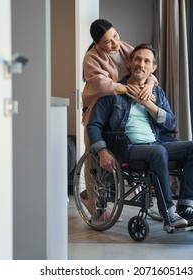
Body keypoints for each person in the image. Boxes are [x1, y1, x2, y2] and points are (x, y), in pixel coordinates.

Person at [86, 43, 193, 228]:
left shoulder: (157, 92)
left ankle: (186, 206)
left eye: (147, 61)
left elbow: (170, 123)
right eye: (138, 59)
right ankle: (168, 212)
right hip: (127, 148)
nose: (141, 64)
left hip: (157, 142)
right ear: (130, 63)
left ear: (153, 68)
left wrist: (148, 104)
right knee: (158, 152)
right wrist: (102, 151)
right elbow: (94, 125)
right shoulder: (114, 92)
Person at [80, 19, 157, 219]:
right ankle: (95, 203)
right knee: (94, 154)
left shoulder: (124, 48)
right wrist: (129, 90)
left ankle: (100, 195)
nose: (115, 43)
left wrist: (149, 84)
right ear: (97, 44)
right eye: (108, 42)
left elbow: (144, 66)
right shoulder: (91, 58)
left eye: (115, 36)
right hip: (98, 107)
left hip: (121, 107)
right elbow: (102, 85)